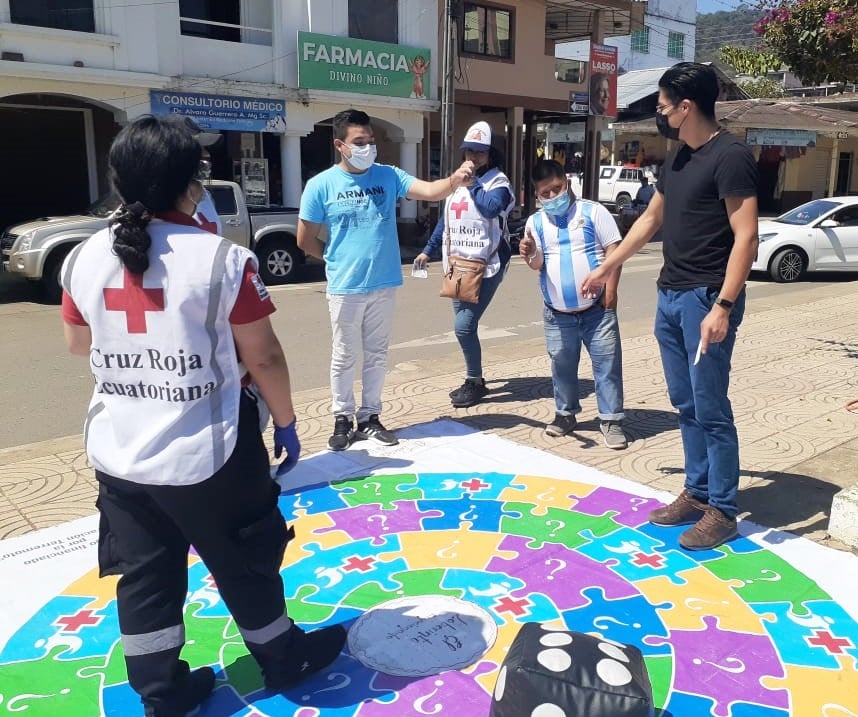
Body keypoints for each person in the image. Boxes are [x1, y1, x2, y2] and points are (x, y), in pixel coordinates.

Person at [60, 116, 346, 717]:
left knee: (145, 578)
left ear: (118, 183)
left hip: (120, 455)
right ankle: (282, 658)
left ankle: (162, 692)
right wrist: (287, 424)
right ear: (193, 185)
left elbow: (77, 345)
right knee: (246, 561)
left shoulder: (82, 258)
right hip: (210, 451)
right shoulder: (223, 259)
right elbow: (262, 355)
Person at [581, 62, 759, 551]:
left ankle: (722, 509)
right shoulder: (678, 158)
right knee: (685, 404)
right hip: (670, 295)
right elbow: (648, 222)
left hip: (706, 299)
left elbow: (747, 237)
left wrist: (723, 305)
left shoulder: (732, 157)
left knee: (711, 408)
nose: (659, 112)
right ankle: (697, 492)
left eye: (663, 105)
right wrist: (605, 266)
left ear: (687, 106)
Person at [297, 108, 474, 451]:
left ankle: (370, 417)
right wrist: (334, 258)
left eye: (371, 141)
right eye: (359, 142)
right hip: (345, 287)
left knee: (377, 354)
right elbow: (304, 240)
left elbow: (431, 191)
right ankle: (341, 418)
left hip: (384, 283)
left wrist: (454, 180)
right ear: (340, 145)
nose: (367, 147)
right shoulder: (320, 186)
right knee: (344, 355)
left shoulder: (388, 175)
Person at [519, 159, 628, 450]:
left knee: (606, 366)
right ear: (537, 196)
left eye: (557, 189)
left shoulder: (593, 212)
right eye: (546, 194)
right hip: (557, 315)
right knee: (562, 367)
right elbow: (538, 264)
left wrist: (611, 293)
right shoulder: (535, 222)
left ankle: (611, 420)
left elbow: (614, 250)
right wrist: (529, 253)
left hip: (597, 311)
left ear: (566, 183)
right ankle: (565, 414)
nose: (553, 197)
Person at [414, 122, 516, 408]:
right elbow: (446, 222)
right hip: (457, 264)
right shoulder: (456, 183)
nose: (473, 157)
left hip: (488, 265)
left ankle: (474, 380)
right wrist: (427, 251)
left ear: (491, 155)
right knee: (464, 325)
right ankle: (475, 377)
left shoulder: (499, 183)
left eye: (480, 152)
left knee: (463, 326)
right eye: (469, 151)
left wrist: (471, 184)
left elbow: (491, 208)